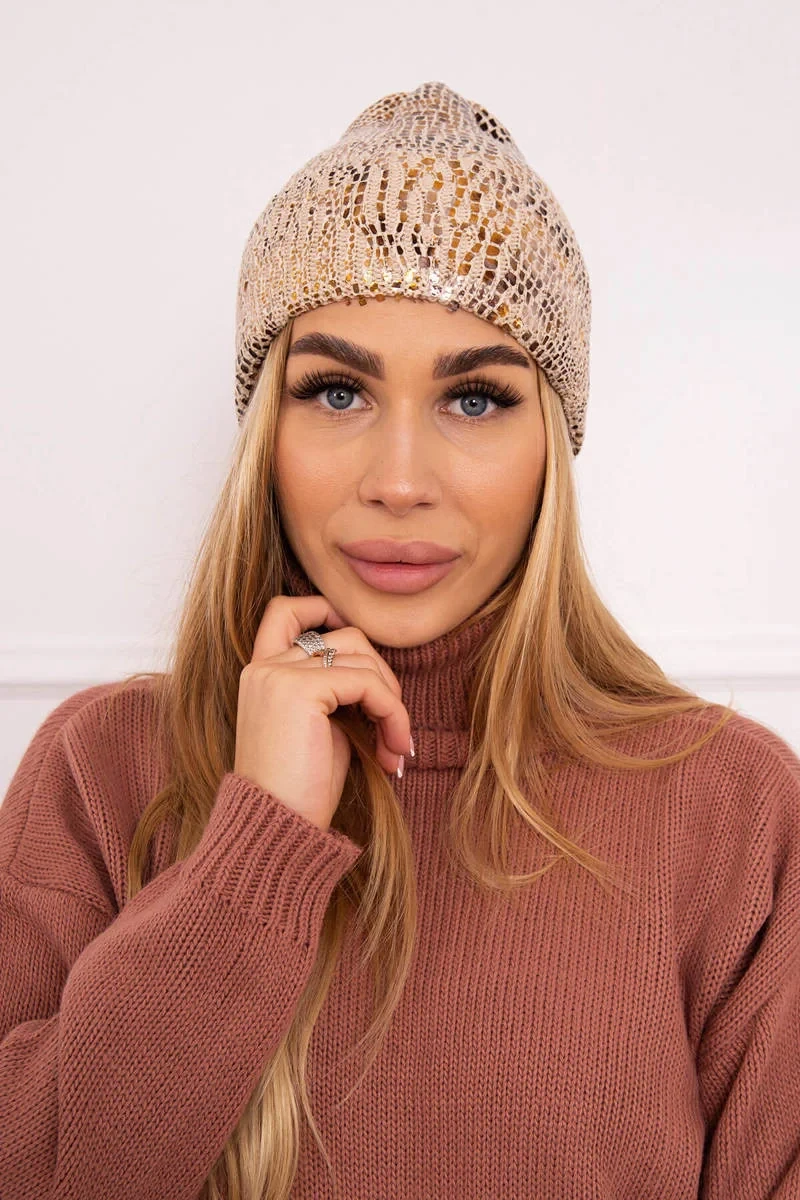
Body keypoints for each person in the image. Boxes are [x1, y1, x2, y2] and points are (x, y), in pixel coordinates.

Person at [1, 79, 798, 1200]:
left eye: (475, 401)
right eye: (337, 393)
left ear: (552, 443)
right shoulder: (101, 768)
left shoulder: (730, 808)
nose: (400, 480)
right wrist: (254, 847)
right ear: (266, 431)